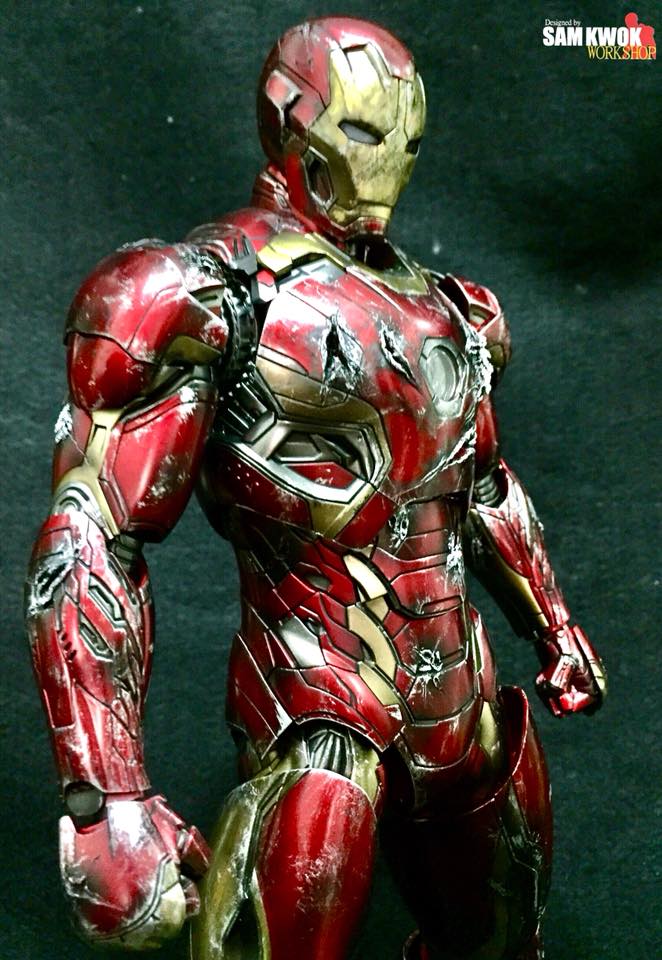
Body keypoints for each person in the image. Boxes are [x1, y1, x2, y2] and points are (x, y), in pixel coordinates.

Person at [25, 17, 606, 960]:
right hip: (316, 696)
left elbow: (483, 485)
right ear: (292, 122)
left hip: (461, 696)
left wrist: (553, 624)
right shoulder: (204, 295)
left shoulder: (451, 310)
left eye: (407, 138)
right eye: (367, 130)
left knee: (504, 938)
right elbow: (93, 531)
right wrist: (106, 800)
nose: (389, 161)